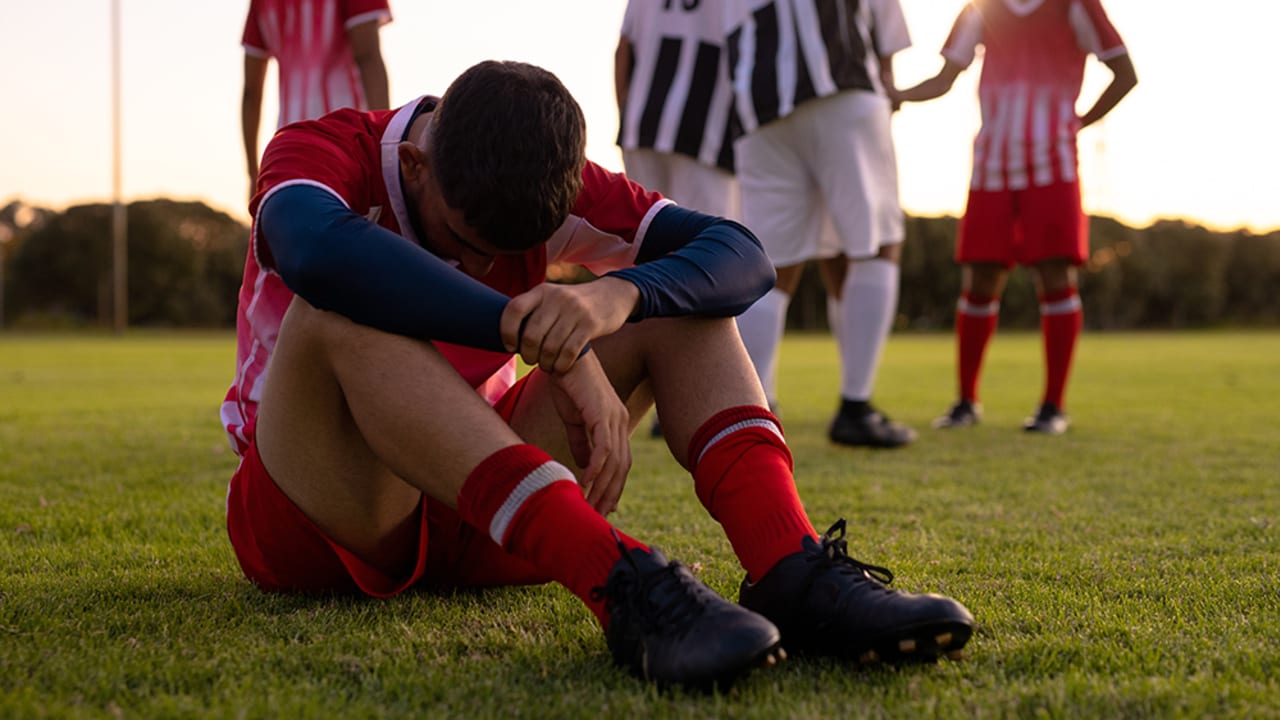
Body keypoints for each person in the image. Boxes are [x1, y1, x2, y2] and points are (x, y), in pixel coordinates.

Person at [219, 60, 974, 691]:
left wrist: (616, 296)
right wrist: (542, 338)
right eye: (466, 240)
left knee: (679, 297)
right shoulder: (322, 148)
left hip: (486, 509)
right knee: (334, 310)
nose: (486, 262)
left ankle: (790, 566)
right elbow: (314, 251)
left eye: (510, 249)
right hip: (327, 516)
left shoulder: (555, 179)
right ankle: (616, 576)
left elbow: (740, 256)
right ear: (413, 165)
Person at [892, 0, 1137, 434]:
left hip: (1053, 165)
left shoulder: (1074, 6)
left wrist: (1078, 122)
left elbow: (1124, 73)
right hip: (992, 165)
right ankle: (966, 401)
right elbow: (946, 77)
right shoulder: (980, 8)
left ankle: (1052, 406)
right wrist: (896, 96)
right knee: (980, 278)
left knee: (1056, 276)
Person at [726, 0, 918, 449]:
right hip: (843, 87)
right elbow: (885, 32)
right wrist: (885, 88)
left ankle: (754, 410)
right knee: (876, 245)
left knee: (768, 268)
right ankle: (856, 407)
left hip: (760, 106)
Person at [614, 0, 741, 438]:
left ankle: (640, 400)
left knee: (644, 263)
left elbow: (623, 49)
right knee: (713, 267)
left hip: (644, 126)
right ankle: (698, 401)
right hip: (705, 132)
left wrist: (627, 112)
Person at [241, 0, 393, 196]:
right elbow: (368, 57)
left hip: (288, 148)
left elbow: (251, 92)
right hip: (348, 142)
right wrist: (383, 144)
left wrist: (254, 173)